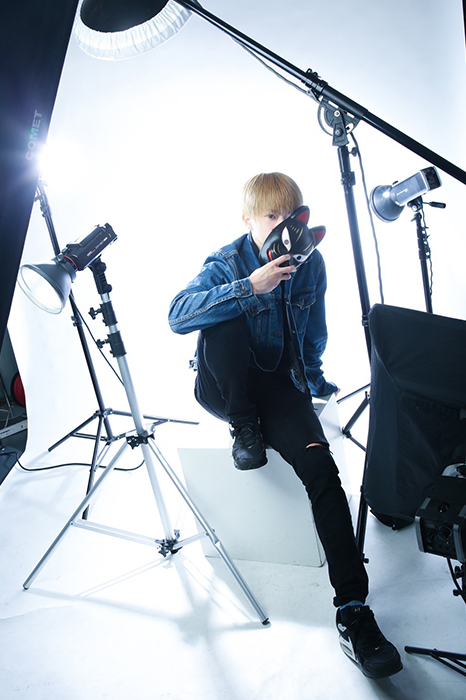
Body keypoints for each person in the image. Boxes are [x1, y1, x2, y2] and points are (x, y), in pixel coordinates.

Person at [168, 172, 402, 679]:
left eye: (290, 215)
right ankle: (243, 428)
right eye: (270, 215)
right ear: (248, 220)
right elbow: (177, 316)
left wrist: (314, 385)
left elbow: (313, 331)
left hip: (279, 387)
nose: (282, 225)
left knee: (321, 469)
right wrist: (249, 287)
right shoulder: (225, 261)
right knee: (224, 316)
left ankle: (353, 611)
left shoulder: (309, 263)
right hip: (224, 387)